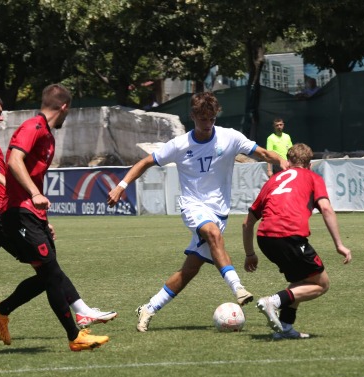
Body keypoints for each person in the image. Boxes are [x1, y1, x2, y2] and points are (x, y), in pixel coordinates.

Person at [107, 91, 287, 333]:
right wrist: (121, 186)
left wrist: (284, 164)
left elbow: (264, 154)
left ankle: (149, 308)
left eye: (211, 119)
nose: (207, 124)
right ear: (192, 116)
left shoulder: (230, 137)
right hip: (193, 206)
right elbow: (145, 163)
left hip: (219, 213)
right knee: (213, 234)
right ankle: (238, 288)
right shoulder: (180, 145)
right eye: (203, 119)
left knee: (189, 270)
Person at [0, 84, 115, 351]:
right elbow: (15, 161)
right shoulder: (33, 126)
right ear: (64, 107)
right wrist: (34, 195)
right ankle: (75, 335)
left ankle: (3, 309)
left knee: (50, 275)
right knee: (52, 274)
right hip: (17, 213)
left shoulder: (45, 132)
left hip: (31, 215)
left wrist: (42, 218)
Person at [243, 143, 352, 340]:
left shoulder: (274, 180)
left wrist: (250, 254)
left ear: (288, 162)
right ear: (309, 165)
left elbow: (247, 222)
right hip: (289, 235)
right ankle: (273, 301)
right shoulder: (312, 177)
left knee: (300, 281)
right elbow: (326, 209)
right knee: (321, 284)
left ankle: (285, 327)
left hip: (265, 238)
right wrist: (339, 245)